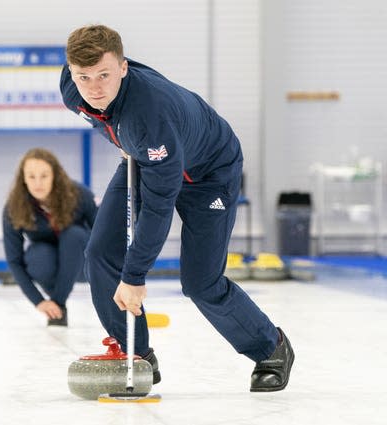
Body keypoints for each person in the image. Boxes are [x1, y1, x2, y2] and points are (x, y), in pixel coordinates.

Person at [60, 24, 294, 391]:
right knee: (100, 252)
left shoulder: (150, 115)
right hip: (145, 157)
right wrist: (119, 137)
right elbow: (103, 115)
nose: (94, 88)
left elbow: (158, 207)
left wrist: (134, 277)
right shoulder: (72, 89)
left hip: (208, 172)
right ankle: (136, 353)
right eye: (84, 76)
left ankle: (271, 348)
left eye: (104, 75)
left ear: (124, 68)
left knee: (201, 283)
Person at [2, 148, 98, 326]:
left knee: (74, 234)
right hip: (51, 265)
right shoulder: (13, 208)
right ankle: (56, 310)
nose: (38, 183)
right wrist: (38, 301)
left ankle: (58, 303)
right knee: (37, 256)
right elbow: (14, 260)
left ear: (55, 175)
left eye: (44, 176)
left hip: (85, 264)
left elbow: (103, 237)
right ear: (23, 179)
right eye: (31, 176)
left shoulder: (79, 194)